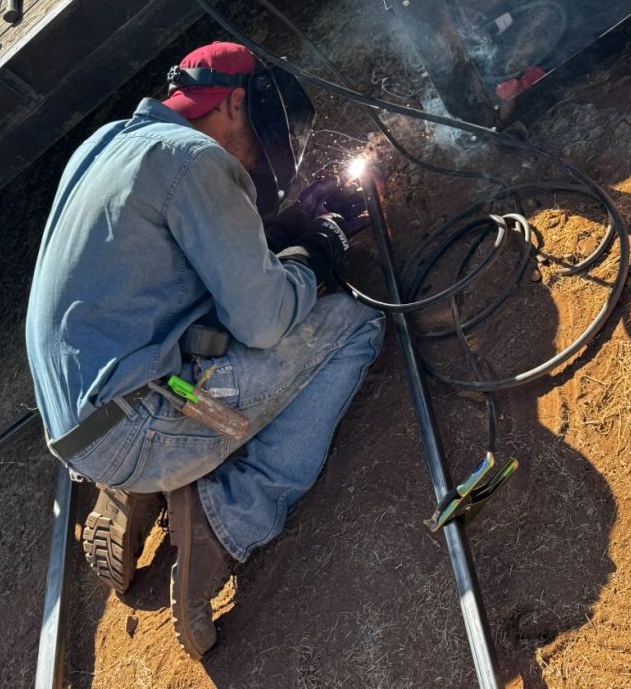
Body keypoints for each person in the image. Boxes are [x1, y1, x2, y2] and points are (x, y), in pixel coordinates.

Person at [25, 41, 384, 659]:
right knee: (352, 327)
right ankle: (223, 520)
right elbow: (265, 320)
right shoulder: (193, 159)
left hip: (84, 432)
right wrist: (314, 255)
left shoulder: (111, 142)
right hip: (156, 416)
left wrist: (277, 229)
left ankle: (134, 492)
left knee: (204, 340)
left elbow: (167, 266)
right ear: (234, 105)